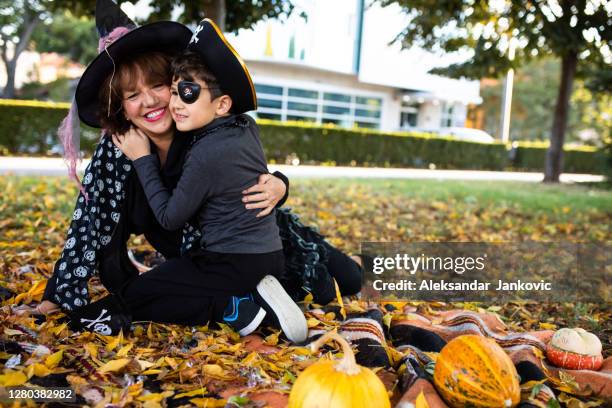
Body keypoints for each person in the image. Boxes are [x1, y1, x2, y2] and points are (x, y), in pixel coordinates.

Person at [28, 0, 362, 332]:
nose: (149, 101)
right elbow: (89, 219)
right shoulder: (118, 148)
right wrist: (61, 293)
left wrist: (279, 183)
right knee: (163, 295)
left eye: (158, 85)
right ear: (121, 108)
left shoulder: (196, 126)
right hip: (208, 260)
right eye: (132, 95)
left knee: (345, 279)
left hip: (253, 233)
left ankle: (366, 263)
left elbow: (244, 162)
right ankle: (235, 303)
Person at [112, 19, 307, 342]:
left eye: (187, 93)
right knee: (162, 287)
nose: (174, 104)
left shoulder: (205, 151)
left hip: (232, 261)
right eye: (174, 91)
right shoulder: (243, 126)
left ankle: (230, 306)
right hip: (268, 253)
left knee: (133, 297)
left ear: (222, 104)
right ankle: (247, 302)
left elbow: (169, 218)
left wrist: (142, 159)